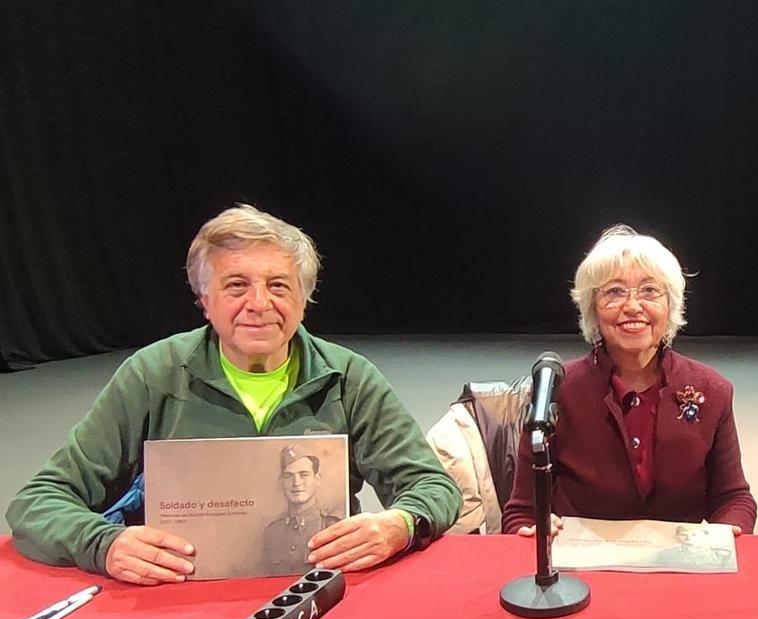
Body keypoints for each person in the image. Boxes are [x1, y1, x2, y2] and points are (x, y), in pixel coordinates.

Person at [7, 204, 461, 584]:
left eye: (279, 286)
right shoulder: (153, 375)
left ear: (304, 299)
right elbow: (38, 502)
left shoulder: (349, 377)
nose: (260, 304)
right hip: (173, 595)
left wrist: (400, 524)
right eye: (236, 285)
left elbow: (432, 486)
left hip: (318, 591)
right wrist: (103, 545)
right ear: (204, 300)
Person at [501, 225, 757, 535]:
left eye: (649, 291)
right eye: (614, 292)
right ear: (592, 309)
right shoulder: (558, 391)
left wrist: (729, 529)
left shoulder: (712, 390)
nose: (633, 307)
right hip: (582, 572)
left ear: (670, 305)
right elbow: (522, 511)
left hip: (677, 565)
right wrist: (533, 529)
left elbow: (733, 497)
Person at [263, 445, 342, 575]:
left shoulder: (333, 526)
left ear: (317, 479)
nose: (296, 483)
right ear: (281, 481)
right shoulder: (272, 532)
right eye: (288, 476)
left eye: (304, 475)